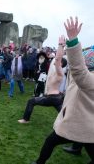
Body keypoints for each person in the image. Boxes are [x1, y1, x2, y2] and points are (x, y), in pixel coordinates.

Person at [32, 17, 94, 164]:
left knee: (50, 141)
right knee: (53, 141)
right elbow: (73, 67)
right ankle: (75, 148)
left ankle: (39, 162)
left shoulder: (89, 79)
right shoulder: (86, 77)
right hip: (83, 122)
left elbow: (78, 69)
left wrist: (73, 40)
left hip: (84, 125)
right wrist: (62, 46)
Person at [18, 36, 66, 124]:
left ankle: (25, 119)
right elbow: (55, 58)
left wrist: (61, 46)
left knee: (31, 101)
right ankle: (69, 124)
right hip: (56, 98)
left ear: (61, 64)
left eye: (58, 61)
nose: (55, 61)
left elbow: (58, 58)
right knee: (64, 114)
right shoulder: (54, 70)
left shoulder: (60, 72)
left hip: (52, 98)